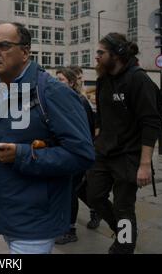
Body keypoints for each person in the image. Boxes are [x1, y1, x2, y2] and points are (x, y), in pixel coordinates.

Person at [0, 23, 94, 254]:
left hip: (37, 219)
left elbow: (82, 155)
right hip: (5, 214)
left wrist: (22, 155)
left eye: (3, 46)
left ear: (25, 52)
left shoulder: (52, 92)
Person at [88, 33, 161, 254]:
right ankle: (121, 230)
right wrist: (98, 137)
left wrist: (145, 164)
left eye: (101, 53)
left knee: (123, 207)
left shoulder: (138, 79)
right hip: (103, 152)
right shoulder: (103, 79)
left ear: (117, 54)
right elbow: (101, 114)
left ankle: (124, 245)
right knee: (93, 195)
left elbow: (151, 122)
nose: (96, 57)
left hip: (129, 156)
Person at [54, 68, 100, 244]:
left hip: (76, 154)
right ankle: (96, 209)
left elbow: (86, 131)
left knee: (70, 191)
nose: (57, 82)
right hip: (65, 153)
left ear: (71, 83)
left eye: (61, 79)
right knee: (77, 189)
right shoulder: (62, 99)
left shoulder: (79, 101)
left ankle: (70, 230)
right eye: (56, 79)